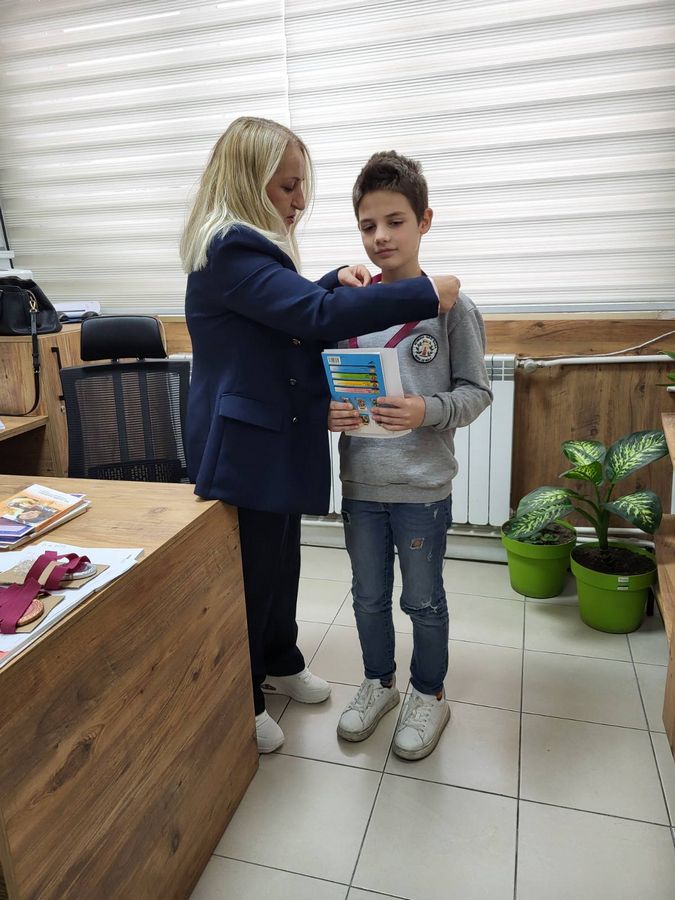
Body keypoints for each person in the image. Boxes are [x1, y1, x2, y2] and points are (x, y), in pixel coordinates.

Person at [180, 118, 462, 754]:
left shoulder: (253, 251)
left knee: (283, 561)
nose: (299, 201)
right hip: (246, 442)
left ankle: (280, 657)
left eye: (301, 186)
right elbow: (309, 316)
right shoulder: (229, 248)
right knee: (252, 576)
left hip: (274, 437)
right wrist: (423, 293)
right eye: (287, 187)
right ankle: (245, 695)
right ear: (248, 182)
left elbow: (291, 305)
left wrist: (333, 277)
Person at [329, 151, 493, 760]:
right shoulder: (348, 306)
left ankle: (430, 692)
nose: (381, 237)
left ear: (424, 221)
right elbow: (328, 385)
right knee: (367, 596)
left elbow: (476, 393)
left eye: (395, 221)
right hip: (361, 483)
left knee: (422, 600)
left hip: (422, 488)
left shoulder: (452, 310)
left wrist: (427, 410)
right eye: (368, 225)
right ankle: (379, 683)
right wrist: (329, 412)